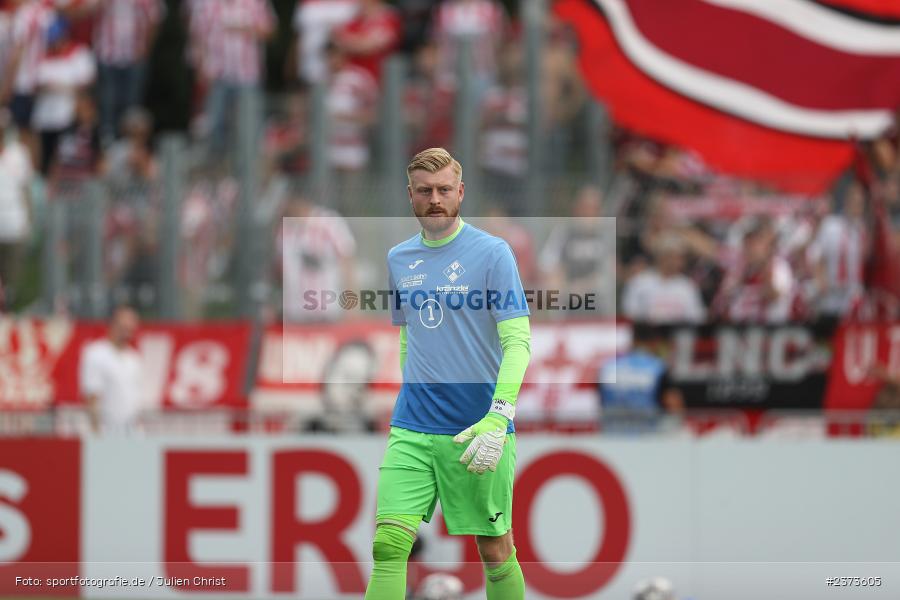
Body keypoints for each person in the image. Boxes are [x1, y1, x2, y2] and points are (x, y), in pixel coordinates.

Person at [365, 148, 530, 599]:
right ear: (410, 195)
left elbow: (518, 342)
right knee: (388, 544)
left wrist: (499, 416)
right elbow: (408, 337)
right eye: (424, 191)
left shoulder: (493, 253)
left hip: (478, 427)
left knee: (495, 549)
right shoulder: (399, 258)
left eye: (443, 190)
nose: (434, 199)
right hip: (413, 424)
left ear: (460, 192)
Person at [91, 0, 164, 144]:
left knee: (132, 103)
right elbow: (89, 10)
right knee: (108, 100)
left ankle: (129, 143)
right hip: (107, 54)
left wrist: (145, 48)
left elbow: (155, 19)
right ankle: (108, 141)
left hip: (134, 56)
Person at [78, 305, 143, 434]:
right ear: (113, 325)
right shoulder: (96, 353)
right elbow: (92, 396)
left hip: (131, 433)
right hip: (106, 431)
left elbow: (135, 400)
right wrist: (96, 432)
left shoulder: (134, 359)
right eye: (123, 327)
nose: (126, 332)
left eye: (130, 328)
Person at [622, 235, 706, 324]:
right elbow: (630, 313)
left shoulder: (687, 286)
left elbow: (696, 317)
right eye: (675, 257)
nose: (680, 262)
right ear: (662, 257)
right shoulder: (639, 282)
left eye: (682, 258)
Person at [0, 108, 33, 308]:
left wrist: (29, 221)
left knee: (12, 281)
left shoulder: (18, 153)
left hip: (13, 225)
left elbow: (25, 189)